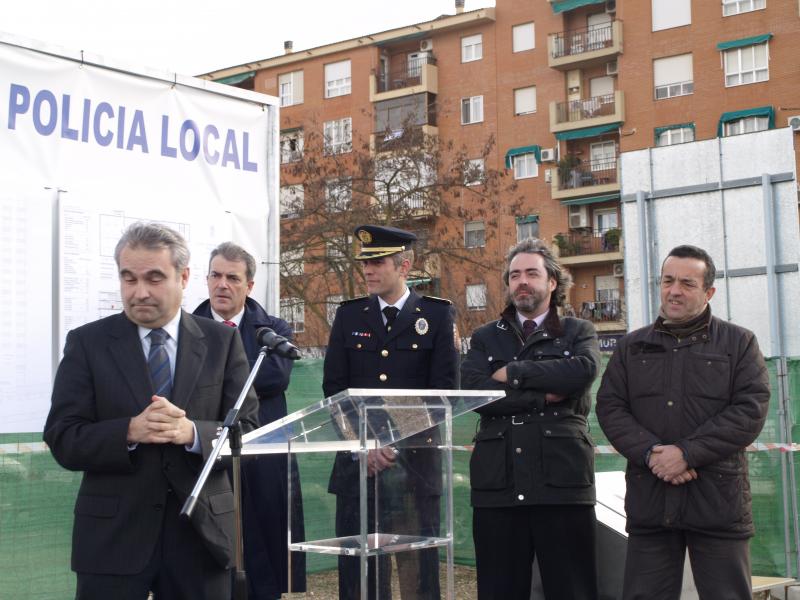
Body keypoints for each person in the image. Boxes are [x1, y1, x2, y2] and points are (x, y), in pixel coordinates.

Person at [43, 222, 259, 600]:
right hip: (112, 539)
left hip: (201, 538)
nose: (139, 292)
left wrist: (192, 433)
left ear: (184, 277)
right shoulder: (87, 344)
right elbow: (63, 436)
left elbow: (251, 431)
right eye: (129, 278)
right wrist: (128, 430)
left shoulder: (222, 342)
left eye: (154, 278)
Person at [596, 244, 770, 600]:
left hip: (717, 503)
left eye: (687, 284)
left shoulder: (738, 344)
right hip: (651, 501)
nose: (674, 290)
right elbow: (611, 407)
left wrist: (686, 453)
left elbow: (749, 409)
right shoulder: (632, 347)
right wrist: (651, 453)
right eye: (668, 280)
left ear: (709, 292)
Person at [461, 237, 601, 600]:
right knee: (499, 590)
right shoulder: (484, 337)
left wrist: (513, 372)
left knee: (571, 589)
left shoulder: (577, 331)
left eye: (532, 273)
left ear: (552, 282)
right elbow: (475, 393)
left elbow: (581, 371)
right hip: (498, 485)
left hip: (562, 481)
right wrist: (542, 392)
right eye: (514, 275)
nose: (522, 281)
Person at [323, 224, 458, 600]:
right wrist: (362, 446)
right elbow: (335, 390)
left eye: (378, 261)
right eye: (364, 263)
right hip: (358, 470)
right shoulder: (349, 317)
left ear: (405, 265)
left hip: (414, 467)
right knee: (360, 578)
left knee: (418, 577)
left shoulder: (435, 315)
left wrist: (392, 445)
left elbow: (442, 393)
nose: (367, 270)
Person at [193, 241, 306, 599]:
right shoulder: (187, 327)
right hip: (206, 459)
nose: (221, 284)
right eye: (215, 275)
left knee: (263, 559)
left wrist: (213, 379)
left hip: (262, 458)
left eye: (232, 277)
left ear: (249, 286)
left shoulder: (272, 329)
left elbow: (274, 378)